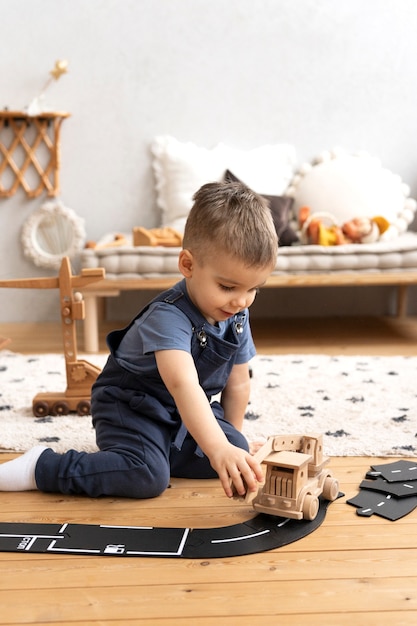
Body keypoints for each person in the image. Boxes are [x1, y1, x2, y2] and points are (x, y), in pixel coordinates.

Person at [0, 181, 278, 500]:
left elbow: (238, 384)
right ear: (188, 264)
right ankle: (41, 467)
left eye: (254, 289)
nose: (241, 301)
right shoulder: (168, 317)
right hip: (130, 407)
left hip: (180, 413)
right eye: (228, 288)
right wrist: (216, 448)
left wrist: (231, 442)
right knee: (147, 477)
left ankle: (158, 449)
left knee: (236, 448)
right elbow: (183, 385)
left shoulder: (236, 315)